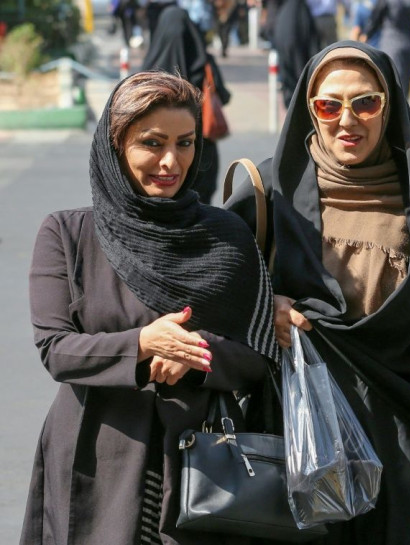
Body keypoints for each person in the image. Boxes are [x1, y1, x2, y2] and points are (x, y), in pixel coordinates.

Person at [225, 42, 410, 543]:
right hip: (299, 430)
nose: (346, 120)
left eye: (365, 102)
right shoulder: (271, 190)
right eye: (328, 105)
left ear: (389, 105)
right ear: (309, 110)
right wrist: (266, 309)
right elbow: (217, 293)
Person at [20, 71, 278, 544]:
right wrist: (142, 344)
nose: (170, 161)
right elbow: (56, 349)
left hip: (205, 469)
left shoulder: (226, 235)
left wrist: (196, 357)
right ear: (117, 145)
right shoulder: (68, 234)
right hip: (95, 459)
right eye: (151, 143)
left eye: (184, 143)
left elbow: (259, 355)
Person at [142, 6, 231, 204]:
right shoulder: (203, 61)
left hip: (160, 159)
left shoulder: (149, 72)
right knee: (200, 208)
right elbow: (223, 96)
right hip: (201, 154)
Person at [363, 0, 410, 98]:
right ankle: (403, 110)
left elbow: (375, 20)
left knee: (389, 83)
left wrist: (366, 36)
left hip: (391, 44)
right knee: (405, 84)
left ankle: (392, 111)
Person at [271, 0, 321, 108]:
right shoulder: (300, 10)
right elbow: (312, 43)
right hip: (299, 60)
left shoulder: (284, 12)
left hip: (288, 56)